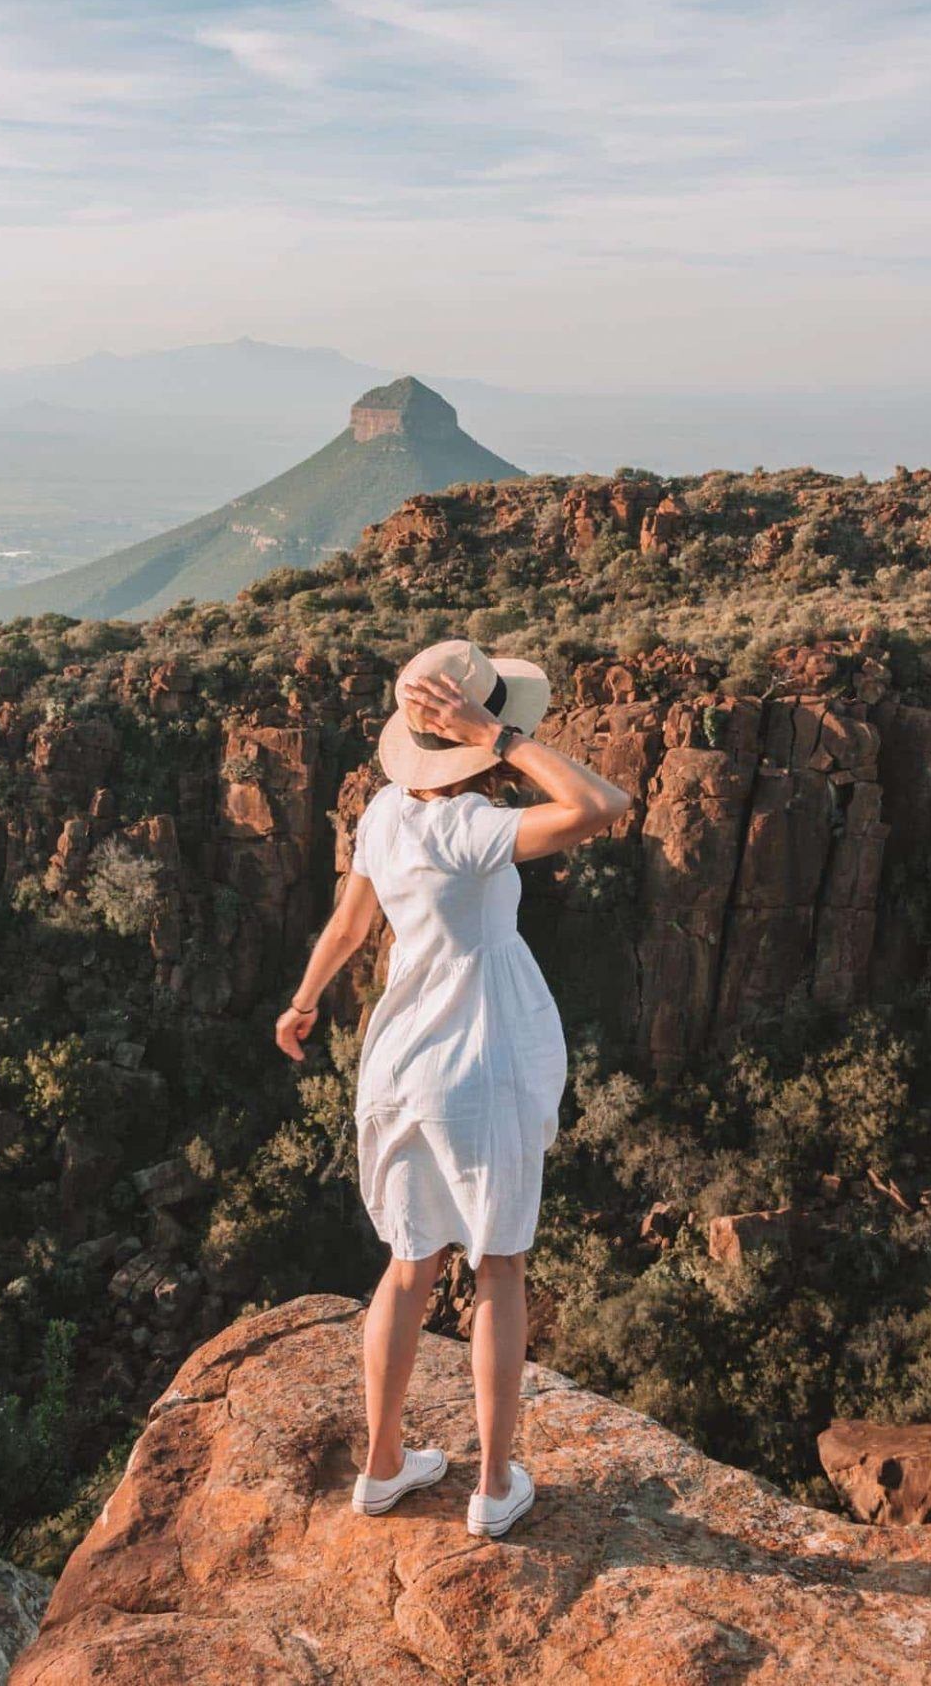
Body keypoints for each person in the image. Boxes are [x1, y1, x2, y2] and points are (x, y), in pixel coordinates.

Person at [275, 638, 631, 1539]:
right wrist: (504, 740)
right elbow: (604, 804)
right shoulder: (474, 831)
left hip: (398, 1063)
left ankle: (384, 1464)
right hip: (481, 1063)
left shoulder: (386, 816)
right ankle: (494, 1483)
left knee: (407, 1264)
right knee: (498, 1266)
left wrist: (305, 998)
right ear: (474, 731)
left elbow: (352, 920)